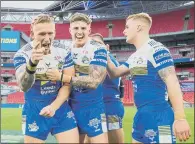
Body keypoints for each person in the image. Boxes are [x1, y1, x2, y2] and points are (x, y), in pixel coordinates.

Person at [106, 13, 191, 143]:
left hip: (160, 116)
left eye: (127, 27)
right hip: (141, 115)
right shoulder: (134, 57)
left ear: (139, 27)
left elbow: (172, 82)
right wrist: (105, 55)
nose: (124, 31)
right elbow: (114, 73)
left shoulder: (157, 50)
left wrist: (180, 118)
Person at [13, 14, 79, 143]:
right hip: (34, 110)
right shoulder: (22, 54)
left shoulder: (64, 52)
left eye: (50, 33)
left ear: (55, 32)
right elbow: (23, 85)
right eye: (42, 34)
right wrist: (32, 63)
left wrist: (53, 107)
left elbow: (67, 84)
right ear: (32, 33)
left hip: (59, 106)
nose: (47, 39)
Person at [45, 13, 108, 143]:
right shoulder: (65, 51)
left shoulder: (98, 49)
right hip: (71, 107)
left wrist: (62, 77)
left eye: (83, 28)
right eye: (76, 28)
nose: (79, 32)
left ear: (89, 30)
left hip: (94, 108)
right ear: (70, 30)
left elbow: (95, 81)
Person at [90, 33, 125, 143]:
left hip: (110, 106)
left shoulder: (108, 60)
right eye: (92, 44)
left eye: (98, 44)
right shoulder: (94, 60)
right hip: (97, 105)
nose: (96, 47)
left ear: (107, 47)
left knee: (114, 137)